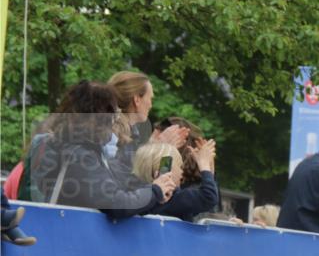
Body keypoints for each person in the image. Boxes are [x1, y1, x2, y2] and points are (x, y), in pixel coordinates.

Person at [33, 81, 176, 218]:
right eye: (113, 114)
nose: (114, 121)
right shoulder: (79, 156)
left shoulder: (79, 151)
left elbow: (121, 185)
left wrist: (154, 188)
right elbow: (116, 203)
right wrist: (155, 191)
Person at [132, 139, 218, 222]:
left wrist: (209, 170)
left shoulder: (138, 197)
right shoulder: (175, 199)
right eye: (180, 166)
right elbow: (209, 197)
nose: (182, 171)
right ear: (167, 171)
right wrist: (204, 165)